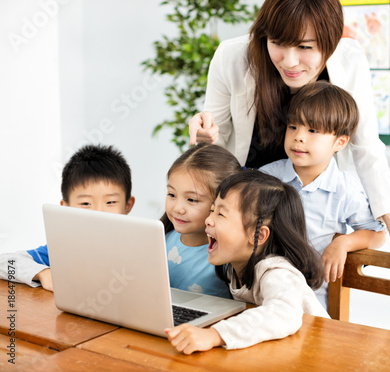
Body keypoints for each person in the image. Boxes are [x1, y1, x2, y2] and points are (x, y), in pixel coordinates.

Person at [188, 0, 390, 285]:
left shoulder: (349, 58)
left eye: (305, 47)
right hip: (246, 213)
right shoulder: (232, 56)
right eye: (278, 42)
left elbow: (368, 150)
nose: (290, 61)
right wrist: (206, 137)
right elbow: (214, 143)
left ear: (330, 43)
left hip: (309, 211)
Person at [165, 170, 329, 354]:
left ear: (257, 235)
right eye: (212, 210)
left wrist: (214, 335)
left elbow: (284, 314)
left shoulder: (277, 272)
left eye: (221, 214)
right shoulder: (233, 267)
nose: (208, 220)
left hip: (322, 353)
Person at [260, 81, 385, 308]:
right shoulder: (267, 177)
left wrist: (343, 243)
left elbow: (376, 234)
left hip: (315, 304)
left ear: (340, 142)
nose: (299, 137)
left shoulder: (345, 189)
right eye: (293, 126)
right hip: (263, 296)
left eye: (313, 130)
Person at [0, 144, 136, 291]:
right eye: (85, 203)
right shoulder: (63, 249)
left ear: (127, 205)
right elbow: (5, 262)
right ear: (66, 208)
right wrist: (44, 273)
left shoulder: (138, 250)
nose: (98, 212)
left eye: (110, 202)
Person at [159, 143, 242, 298]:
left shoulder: (227, 256)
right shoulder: (162, 239)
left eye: (191, 199)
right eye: (171, 194)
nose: (178, 208)